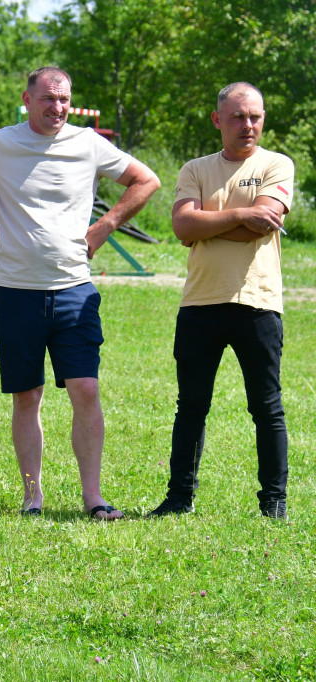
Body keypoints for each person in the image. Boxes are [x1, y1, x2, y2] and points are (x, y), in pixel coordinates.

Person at [0, 66, 160, 521]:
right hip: (15, 291)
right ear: (28, 100)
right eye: (48, 99)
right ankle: (33, 496)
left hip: (74, 289)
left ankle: (93, 498)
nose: (57, 107)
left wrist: (105, 226)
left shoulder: (88, 144)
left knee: (86, 389)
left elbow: (146, 180)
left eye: (64, 99)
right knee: (27, 395)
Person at [148, 83, 293, 520]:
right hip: (200, 302)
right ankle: (179, 499)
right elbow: (181, 226)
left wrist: (206, 223)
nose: (248, 125)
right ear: (217, 120)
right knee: (191, 406)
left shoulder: (276, 164)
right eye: (237, 117)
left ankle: (273, 503)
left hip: (258, 301)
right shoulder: (195, 169)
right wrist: (241, 215)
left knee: (266, 406)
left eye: (255, 116)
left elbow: (261, 224)